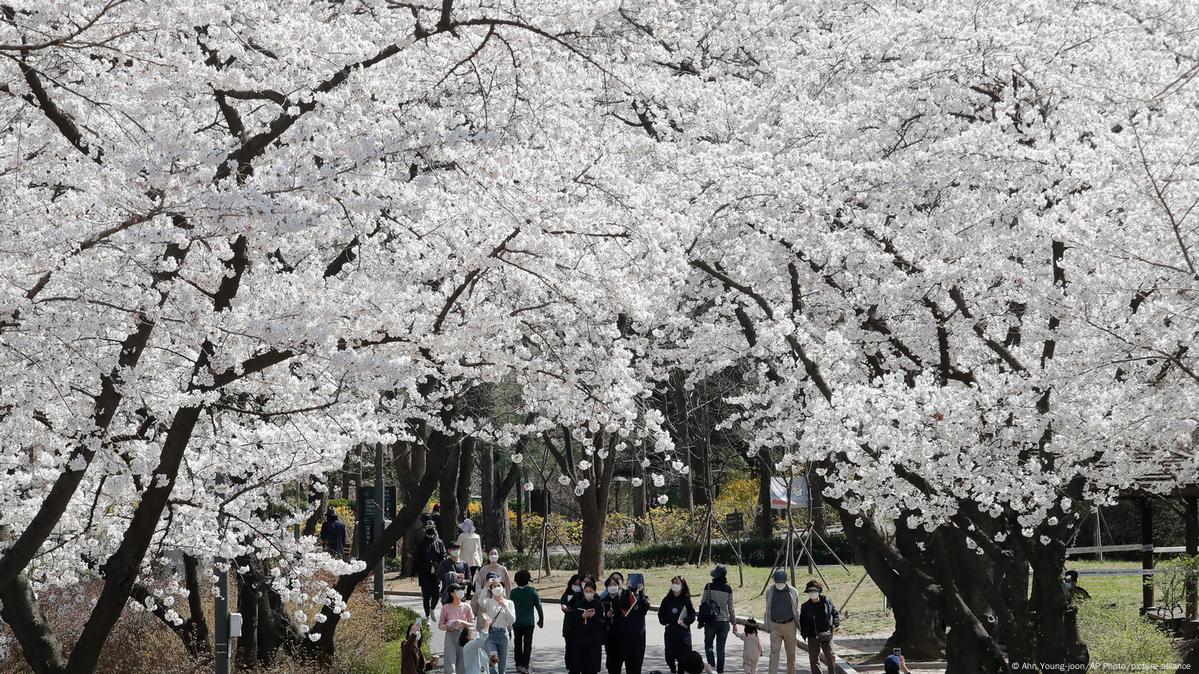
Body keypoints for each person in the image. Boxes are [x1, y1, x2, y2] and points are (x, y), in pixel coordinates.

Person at [610, 573, 651, 674]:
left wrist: (641, 592)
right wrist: (628, 591)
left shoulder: (644, 597)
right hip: (621, 640)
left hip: (637, 641)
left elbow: (645, 607)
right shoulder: (622, 595)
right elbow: (621, 605)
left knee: (635, 669)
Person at [798, 581, 839, 674]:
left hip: (826, 634)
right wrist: (804, 631)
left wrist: (835, 624)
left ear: (819, 591)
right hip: (812, 635)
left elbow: (835, 613)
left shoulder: (827, 601)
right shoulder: (805, 606)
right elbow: (802, 620)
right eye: (809, 591)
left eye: (814, 591)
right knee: (813, 659)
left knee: (830, 655)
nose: (812, 593)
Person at [700, 564, 735, 674]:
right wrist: (734, 623)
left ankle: (712, 667)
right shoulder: (728, 589)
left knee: (708, 645)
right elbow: (731, 607)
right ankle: (720, 671)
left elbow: (703, 603)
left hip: (711, 621)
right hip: (724, 622)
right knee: (721, 649)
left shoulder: (708, 586)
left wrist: (700, 621)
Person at [763, 570, 800, 674]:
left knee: (791, 654)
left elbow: (796, 608)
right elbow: (768, 607)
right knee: (774, 653)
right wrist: (768, 624)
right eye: (777, 582)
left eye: (781, 582)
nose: (779, 584)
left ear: (785, 581)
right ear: (774, 581)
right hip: (775, 625)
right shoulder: (769, 591)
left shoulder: (793, 591)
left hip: (790, 625)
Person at [658, 575, 696, 674]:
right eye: (673, 582)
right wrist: (665, 622)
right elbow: (661, 614)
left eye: (677, 582)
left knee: (682, 660)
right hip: (670, 633)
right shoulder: (666, 599)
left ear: (682, 586)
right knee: (669, 657)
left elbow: (692, 614)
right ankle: (672, 669)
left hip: (683, 634)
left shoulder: (686, 599)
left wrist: (686, 621)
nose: (675, 584)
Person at [481, 575, 517, 674]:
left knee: (502, 667)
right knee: (493, 663)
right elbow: (480, 601)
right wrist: (486, 586)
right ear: (491, 590)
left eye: (498, 585)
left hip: (503, 634)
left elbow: (513, 620)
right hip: (491, 635)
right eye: (494, 586)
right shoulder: (489, 602)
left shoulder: (509, 603)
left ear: (503, 588)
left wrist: (505, 607)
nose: (496, 588)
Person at [511, 569, 544, 674]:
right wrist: (541, 619)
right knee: (527, 644)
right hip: (529, 622)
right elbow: (538, 606)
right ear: (528, 580)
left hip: (516, 622)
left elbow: (510, 607)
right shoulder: (532, 591)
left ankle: (518, 664)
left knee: (517, 643)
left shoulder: (514, 592)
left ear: (516, 580)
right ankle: (525, 665)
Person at [414, 521, 448, 619]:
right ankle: (427, 616)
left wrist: (441, 566)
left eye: (432, 527)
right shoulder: (421, 544)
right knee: (426, 595)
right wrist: (413, 573)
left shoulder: (439, 542)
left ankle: (432, 609)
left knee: (436, 595)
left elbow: (444, 555)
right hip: (424, 572)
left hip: (436, 573)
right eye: (428, 528)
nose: (430, 530)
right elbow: (417, 558)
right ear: (425, 529)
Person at [439, 583, 475, 674]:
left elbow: (472, 624)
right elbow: (440, 625)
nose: (461, 592)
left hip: (464, 635)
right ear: (452, 593)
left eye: (461, 590)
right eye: (457, 590)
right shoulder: (446, 607)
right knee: (450, 661)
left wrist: (463, 623)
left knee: (462, 661)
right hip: (450, 635)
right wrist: (449, 626)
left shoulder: (467, 606)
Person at [573, 580, 607, 674]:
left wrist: (594, 616)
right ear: (583, 592)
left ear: (594, 592)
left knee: (592, 669)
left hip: (594, 642)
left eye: (590, 591)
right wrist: (582, 616)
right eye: (586, 591)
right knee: (583, 668)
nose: (588, 593)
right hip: (581, 641)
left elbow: (603, 623)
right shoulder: (579, 604)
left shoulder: (598, 604)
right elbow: (574, 622)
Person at [561, 573, 585, 674]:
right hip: (569, 627)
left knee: (579, 648)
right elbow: (564, 606)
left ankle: (578, 666)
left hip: (580, 627)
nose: (576, 586)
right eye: (575, 584)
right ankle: (571, 667)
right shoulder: (567, 594)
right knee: (569, 648)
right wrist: (566, 608)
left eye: (579, 585)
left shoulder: (583, 595)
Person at [601, 572, 625, 674]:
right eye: (610, 585)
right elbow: (599, 619)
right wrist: (606, 616)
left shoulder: (623, 599)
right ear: (606, 587)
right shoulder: (603, 601)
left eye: (615, 585)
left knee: (618, 661)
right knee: (611, 662)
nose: (612, 587)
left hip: (621, 635)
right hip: (609, 636)